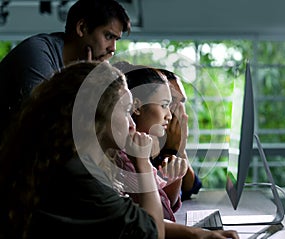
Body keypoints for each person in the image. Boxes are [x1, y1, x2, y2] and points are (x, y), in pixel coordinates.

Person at [0, 61, 165, 239]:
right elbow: (152, 233)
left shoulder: (60, 161)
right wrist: (143, 164)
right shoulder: (79, 176)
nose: (132, 125)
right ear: (98, 113)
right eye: (126, 111)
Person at [114, 62, 239, 239]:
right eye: (167, 104)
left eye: (180, 104)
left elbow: (186, 190)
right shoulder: (127, 157)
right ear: (136, 106)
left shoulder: (144, 147)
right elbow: (155, 221)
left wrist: (178, 148)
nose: (173, 114)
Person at [0, 0, 131, 141]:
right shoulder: (37, 53)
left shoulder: (82, 69)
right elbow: (47, 127)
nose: (113, 48)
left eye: (116, 39)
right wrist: (85, 83)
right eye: (109, 36)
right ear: (82, 28)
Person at [156, 69, 202, 201]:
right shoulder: (146, 141)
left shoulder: (168, 138)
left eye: (182, 102)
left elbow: (190, 187)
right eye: (172, 101)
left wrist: (180, 149)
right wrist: (171, 151)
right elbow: (166, 202)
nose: (180, 109)